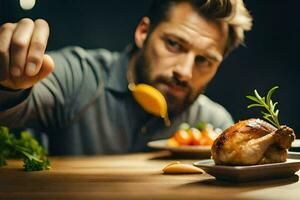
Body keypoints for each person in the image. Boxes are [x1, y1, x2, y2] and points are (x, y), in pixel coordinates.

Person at [0, 0, 252, 155]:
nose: (184, 72)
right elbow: (14, 105)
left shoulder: (214, 125)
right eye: (174, 44)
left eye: (204, 61)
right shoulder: (79, 77)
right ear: (144, 32)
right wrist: (9, 83)